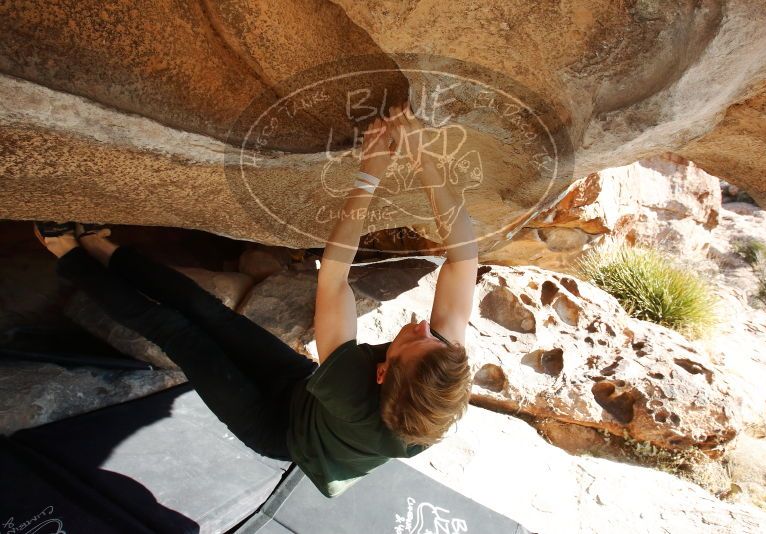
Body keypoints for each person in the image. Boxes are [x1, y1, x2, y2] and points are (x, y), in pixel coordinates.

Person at [35, 102, 477, 498]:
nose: (425, 326)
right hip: (304, 392)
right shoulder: (439, 369)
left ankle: (67, 255)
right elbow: (463, 258)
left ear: (381, 373)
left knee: (177, 332)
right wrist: (423, 157)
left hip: (277, 427)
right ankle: (100, 248)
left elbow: (335, 277)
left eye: (417, 338)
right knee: (207, 312)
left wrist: (370, 173)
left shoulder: (350, 392)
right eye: (435, 337)